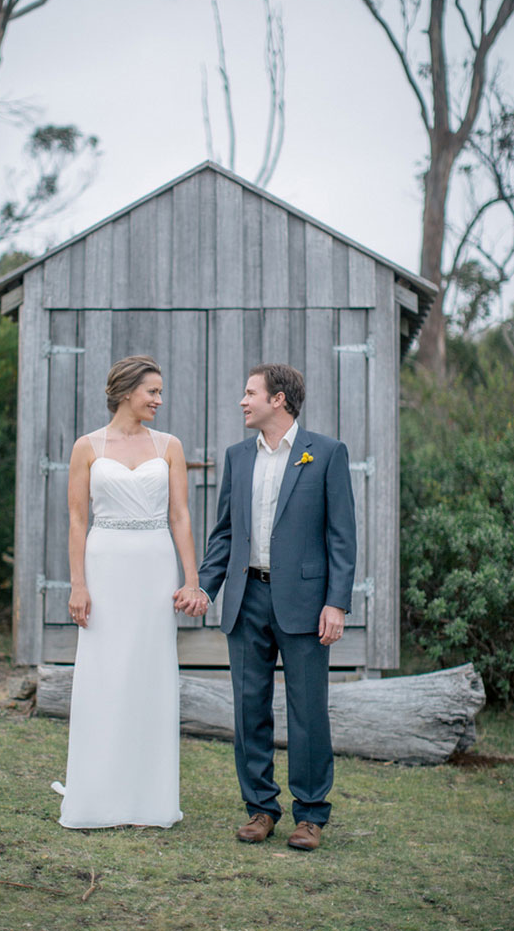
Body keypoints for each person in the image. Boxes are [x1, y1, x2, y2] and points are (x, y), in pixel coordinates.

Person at [177, 363, 356, 851]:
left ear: (278, 400)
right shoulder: (238, 457)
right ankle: (260, 808)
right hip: (247, 598)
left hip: (304, 602)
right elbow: (226, 534)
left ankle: (311, 815)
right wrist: (205, 588)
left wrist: (336, 603)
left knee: (308, 711)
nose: (242, 400)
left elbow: (342, 537)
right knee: (248, 708)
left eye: (250, 392)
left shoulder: (326, 453)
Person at [53, 355, 207, 829]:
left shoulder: (170, 446)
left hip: (154, 567)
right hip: (105, 566)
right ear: (126, 392)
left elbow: (180, 516)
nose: (159, 400)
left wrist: (191, 579)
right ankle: (97, 793)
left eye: (160, 392)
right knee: (104, 673)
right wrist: (78, 584)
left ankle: (148, 797)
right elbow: (78, 520)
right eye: (152, 392)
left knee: (148, 673)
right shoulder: (87, 447)